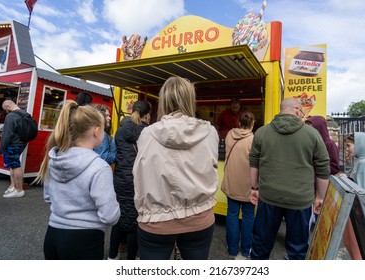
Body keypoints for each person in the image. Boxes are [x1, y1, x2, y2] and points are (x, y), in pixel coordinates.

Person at [133, 76, 219, 260]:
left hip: (155, 219)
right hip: (199, 216)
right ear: (190, 99)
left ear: (163, 99)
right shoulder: (210, 132)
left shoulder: (147, 133)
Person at [34, 100, 120, 260]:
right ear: (96, 131)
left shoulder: (54, 159)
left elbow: (48, 197)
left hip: (53, 233)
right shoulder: (99, 167)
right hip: (85, 240)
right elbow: (110, 215)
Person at [249, 97, 330, 260]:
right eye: (301, 111)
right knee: (297, 250)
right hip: (300, 201)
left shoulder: (261, 132)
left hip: (269, 198)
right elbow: (323, 167)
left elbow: (254, 163)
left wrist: (254, 188)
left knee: (260, 245)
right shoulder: (312, 134)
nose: (302, 115)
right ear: (296, 110)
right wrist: (320, 197)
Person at [108, 100, 151, 260]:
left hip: (120, 180)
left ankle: (112, 257)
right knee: (134, 223)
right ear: (147, 115)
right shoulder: (148, 133)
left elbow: (115, 154)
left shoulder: (121, 130)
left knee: (119, 220)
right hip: (139, 181)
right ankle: (131, 260)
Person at [221, 111, 255, 259]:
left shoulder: (229, 135)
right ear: (252, 124)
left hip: (232, 183)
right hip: (249, 186)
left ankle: (232, 248)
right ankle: (246, 249)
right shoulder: (254, 140)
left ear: (239, 123)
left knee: (232, 214)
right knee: (248, 216)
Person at [0, 100, 27, 198]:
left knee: (15, 165)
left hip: (13, 144)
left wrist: (0, 149)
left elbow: (6, 135)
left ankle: (19, 190)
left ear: (7, 106)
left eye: (5, 109)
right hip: (22, 143)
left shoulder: (11, 116)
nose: (6, 111)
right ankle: (12, 186)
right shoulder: (25, 114)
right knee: (12, 164)